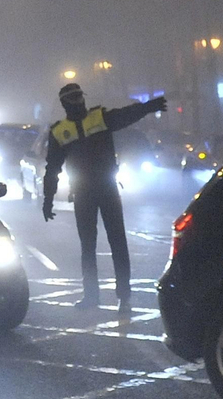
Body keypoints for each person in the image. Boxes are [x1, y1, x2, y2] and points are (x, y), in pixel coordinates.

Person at [42, 83, 167, 309]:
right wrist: (48, 199)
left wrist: (148, 107)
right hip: (92, 192)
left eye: (79, 97)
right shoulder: (65, 129)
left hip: (98, 191)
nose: (79, 102)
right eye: (75, 98)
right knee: (101, 245)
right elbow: (52, 169)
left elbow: (126, 115)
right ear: (66, 103)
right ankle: (103, 297)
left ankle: (114, 297)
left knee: (104, 244)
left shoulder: (88, 121)